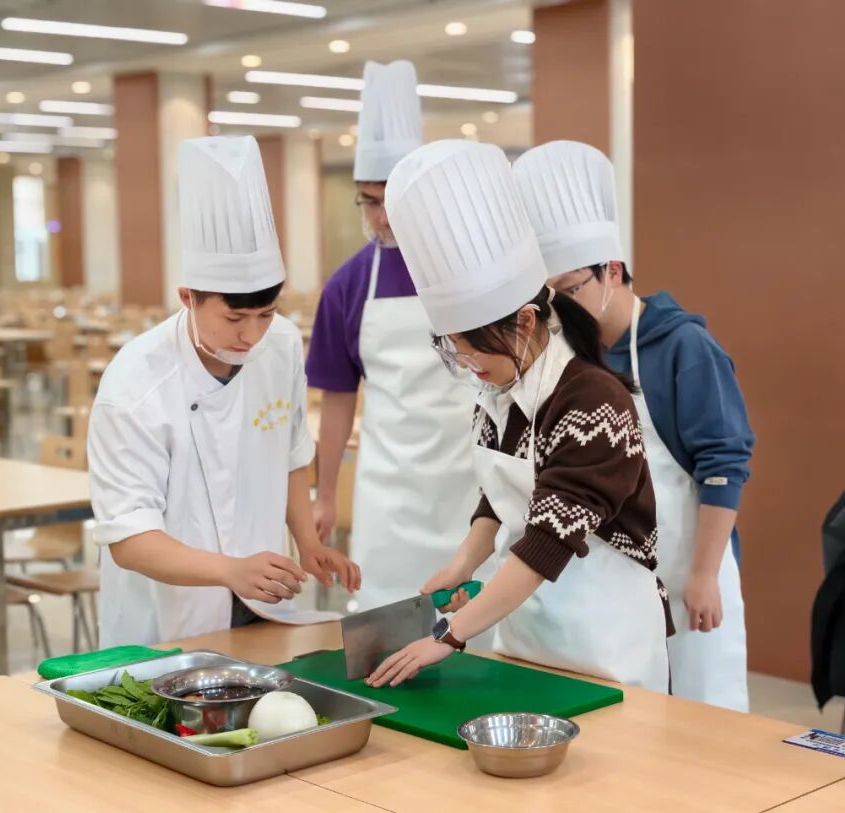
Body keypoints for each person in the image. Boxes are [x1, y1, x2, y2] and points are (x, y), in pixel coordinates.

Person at [365, 140, 671, 691]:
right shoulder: (498, 389)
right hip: (528, 629)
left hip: (605, 640)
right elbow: (501, 495)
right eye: (454, 350)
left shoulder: (593, 402)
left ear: (525, 322)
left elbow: (548, 541)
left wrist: (449, 636)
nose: (468, 365)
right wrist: (463, 563)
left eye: (473, 348)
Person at [89, 136, 359, 648]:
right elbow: (129, 539)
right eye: (234, 317)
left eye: (265, 314)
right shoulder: (136, 385)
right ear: (188, 297)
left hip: (264, 605)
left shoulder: (281, 346)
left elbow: (290, 454)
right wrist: (230, 570)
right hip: (168, 620)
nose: (251, 335)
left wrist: (306, 541)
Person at [512, 141, 753, 712]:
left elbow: (724, 467)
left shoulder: (683, 347)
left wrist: (703, 574)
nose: (560, 309)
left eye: (570, 290)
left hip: (688, 570)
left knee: (702, 719)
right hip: (612, 595)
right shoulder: (568, 356)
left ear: (613, 271)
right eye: (549, 298)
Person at [306, 61, 479, 611]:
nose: (381, 217)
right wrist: (325, 495)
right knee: (387, 621)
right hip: (388, 494)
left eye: (392, 200)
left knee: (475, 626)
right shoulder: (347, 286)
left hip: (470, 487)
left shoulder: (469, 269)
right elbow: (338, 399)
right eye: (369, 201)